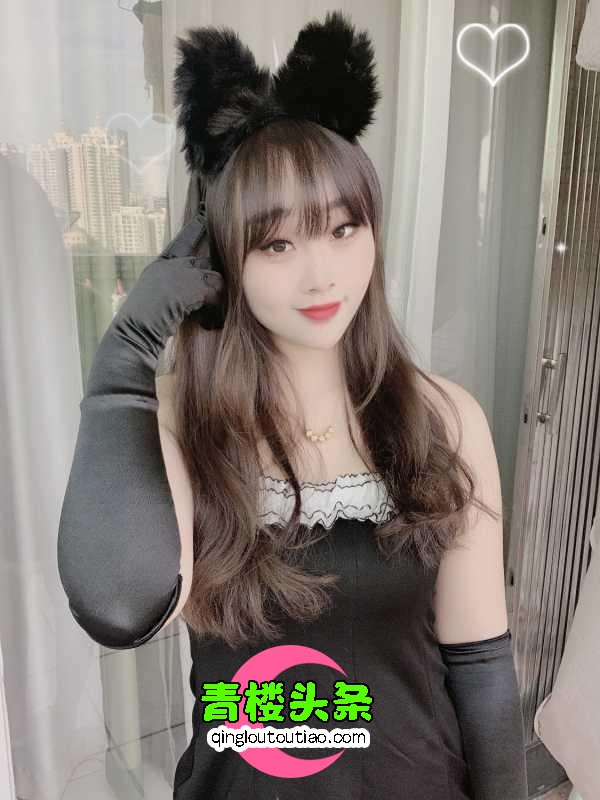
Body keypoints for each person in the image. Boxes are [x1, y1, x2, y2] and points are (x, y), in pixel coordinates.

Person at [57, 11, 528, 799]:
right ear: (220, 253)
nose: (322, 276)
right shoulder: (178, 423)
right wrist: (121, 366)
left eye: (343, 229)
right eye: (278, 243)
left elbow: (480, 664)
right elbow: (118, 606)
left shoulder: (443, 419)